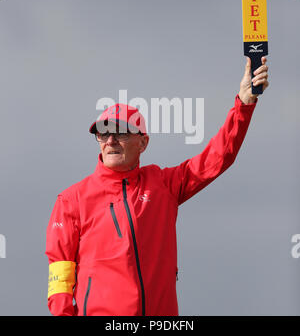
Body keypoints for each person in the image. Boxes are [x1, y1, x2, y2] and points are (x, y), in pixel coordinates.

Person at [46, 57, 269, 316]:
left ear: (143, 143)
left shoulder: (163, 184)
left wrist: (244, 102)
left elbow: (219, 157)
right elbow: (60, 281)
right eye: (103, 133)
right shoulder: (71, 200)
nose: (110, 140)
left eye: (121, 132)